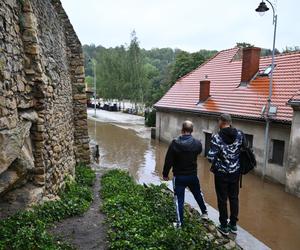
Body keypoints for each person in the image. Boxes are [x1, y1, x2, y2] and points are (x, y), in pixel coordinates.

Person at [162, 120, 208, 225]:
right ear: (192, 130)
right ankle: (204, 212)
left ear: (182, 130)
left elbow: (168, 160)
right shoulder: (197, 143)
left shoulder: (175, 143)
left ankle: (180, 224)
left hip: (179, 177)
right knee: (198, 194)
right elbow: (199, 151)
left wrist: (165, 174)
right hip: (192, 175)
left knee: (179, 200)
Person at [207, 114, 244, 235]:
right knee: (234, 198)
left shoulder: (217, 137)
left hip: (221, 173)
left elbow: (210, 157)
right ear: (230, 122)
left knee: (222, 199)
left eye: (218, 121)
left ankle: (223, 225)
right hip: (235, 172)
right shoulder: (240, 134)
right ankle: (233, 224)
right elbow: (244, 150)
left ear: (222, 122)